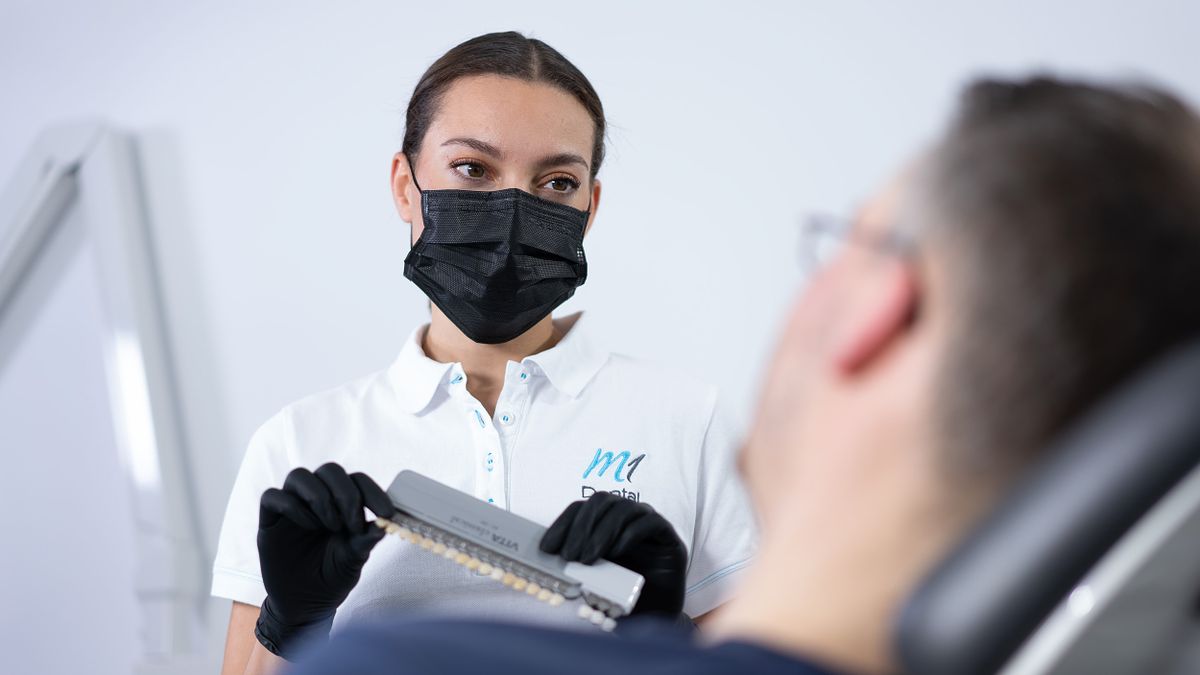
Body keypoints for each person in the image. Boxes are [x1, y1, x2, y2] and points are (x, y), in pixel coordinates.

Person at [286, 76, 1200, 674]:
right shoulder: (305, 432)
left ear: (874, 309)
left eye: (847, 242)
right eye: (473, 169)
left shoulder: (396, 666)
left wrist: (306, 635)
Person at [212, 31, 757, 675]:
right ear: (405, 186)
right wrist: (291, 626)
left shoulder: (688, 421)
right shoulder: (299, 440)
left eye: (557, 181)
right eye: (473, 168)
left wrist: (666, 634)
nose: (513, 209)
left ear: (589, 209)